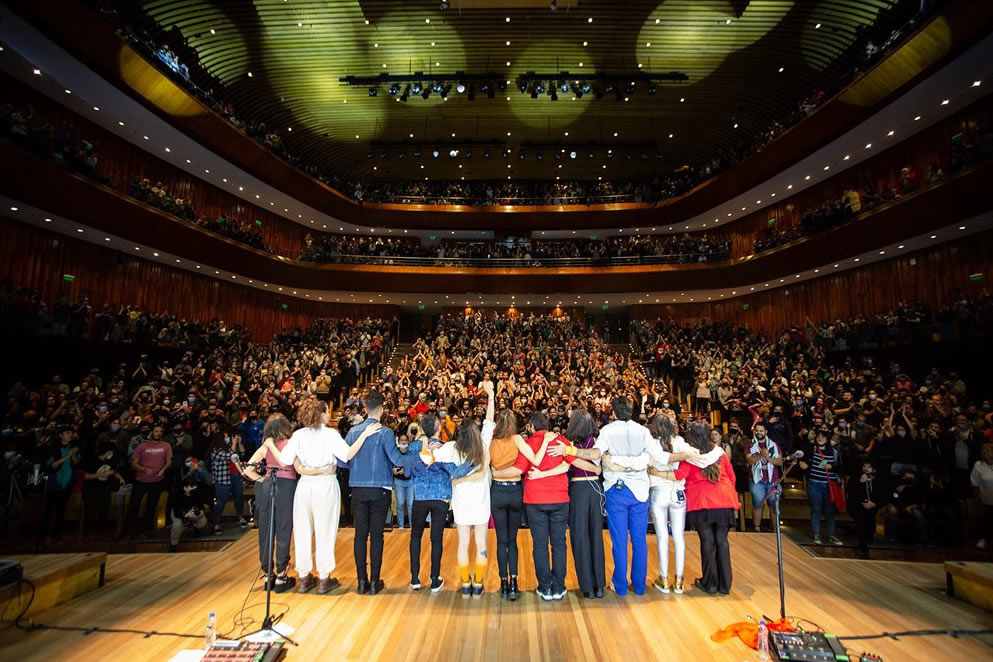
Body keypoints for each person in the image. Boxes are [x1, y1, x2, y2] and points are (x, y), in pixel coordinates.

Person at [264, 398, 378, 594]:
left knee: (302, 531)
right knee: (325, 531)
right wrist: (364, 435)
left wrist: (270, 445)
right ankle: (324, 578)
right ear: (321, 413)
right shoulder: (330, 434)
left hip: (304, 486)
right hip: (325, 483)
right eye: (326, 410)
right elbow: (348, 454)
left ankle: (304, 578)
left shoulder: (298, 435)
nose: (328, 414)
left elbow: (284, 461)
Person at [496, 412, 574, 601]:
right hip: (560, 498)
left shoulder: (528, 444)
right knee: (559, 544)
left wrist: (495, 472)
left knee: (540, 545)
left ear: (531, 426)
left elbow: (519, 470)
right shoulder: (560, 440)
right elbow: (570, 464)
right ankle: (558, 587)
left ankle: (545, 587)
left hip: (535, 500)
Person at [652, 421, 736, 595]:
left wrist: (656, 473)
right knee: (722, 540)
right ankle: (725, 585)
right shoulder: (719, 453)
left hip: (702, 501)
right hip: (724, 499)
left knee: (707, 542)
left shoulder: (690, 455)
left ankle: (710, 583)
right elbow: (732, 476)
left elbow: (679, 475)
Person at [344, 390, 415, 596]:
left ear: (365, 409)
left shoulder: (352, 432)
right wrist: (418, 456)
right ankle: (374, 582)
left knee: (359, 535)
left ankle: (360, 582)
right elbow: (398, 461)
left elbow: (343, 460)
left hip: (357, 487)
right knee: (376, 536)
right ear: (382, 409)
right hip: (380, 489)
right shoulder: (385, 433)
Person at [431, 381, 496, 596]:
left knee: (463, 544)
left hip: (461, 504)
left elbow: (431, 459)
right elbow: (489, 421)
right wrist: (491, 395)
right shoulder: (483, 446)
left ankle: (465, 583)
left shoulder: (451, 448)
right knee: (481, 544)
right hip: (481, 504)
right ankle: (478, 584)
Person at [487, 408, 552, 600]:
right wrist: (546, 442)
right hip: (515, 491)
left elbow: (487, 469)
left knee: (501, 541)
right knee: (513, 540)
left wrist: (496, 472)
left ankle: (503, 583)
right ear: (514, 424)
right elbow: (536, 460)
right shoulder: (517, 439)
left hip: (497, 492)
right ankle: (514, 582)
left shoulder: (492, 442)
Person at [404, 413, 471, 593]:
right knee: (436, 539)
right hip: (440, 497)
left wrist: (421, 455)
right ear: (439, 428)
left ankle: (415, 578)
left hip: (419, 497)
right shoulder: (445, 448)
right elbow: (456, 472)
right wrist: (474, 460)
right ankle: (434, 579)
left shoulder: (414, 448)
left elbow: (407, 472)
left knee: (415, 536)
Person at [242, 413, 298, 592]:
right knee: (283, 528)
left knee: (266, 529)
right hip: (286, 485)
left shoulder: (265, 446)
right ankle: (281, 575)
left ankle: (268, 574)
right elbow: (290, 463)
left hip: (267, 485)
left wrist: (262, 479)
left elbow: (248, 470)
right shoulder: (290, 444)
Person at [564, 409, 606, 599]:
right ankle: (599, 585)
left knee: (580, 538)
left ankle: (587, 587)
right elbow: (598, 468)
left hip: (578, 490)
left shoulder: (568, 444)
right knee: (595, 537)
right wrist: (595, 469)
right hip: (595, 491)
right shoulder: (594, 442)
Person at [648, 413, 690, 595]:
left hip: (659, 491)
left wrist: (657, 472)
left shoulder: (652, 443)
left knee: (662, 537)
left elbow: (649, 466)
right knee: (679, 537)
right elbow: (692, 455)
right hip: (678, 491)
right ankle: (679, 581)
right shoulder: (680, 441)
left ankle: (664, 578)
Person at [122, 423, 172, 539]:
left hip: (157, 480)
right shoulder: (142, 446)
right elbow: (133, 463)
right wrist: (144, 469)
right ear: (151, 432)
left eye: (160, 431)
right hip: (141, 480)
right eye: (156, 431)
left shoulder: (166, 445)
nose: (158, 433)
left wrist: (163, 470)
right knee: (134, 507)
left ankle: (146, 531)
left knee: (151, 507)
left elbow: (169, 461)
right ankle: (126, 532)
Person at [799, 426, 843, 545]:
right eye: (818, 436)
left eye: (823, 437)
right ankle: (816, 534)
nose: (820, 438)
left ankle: (832, 535)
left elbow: (841, 468)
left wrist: (832, 467)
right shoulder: (811, 449)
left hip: (829, 485)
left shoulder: (834, 452)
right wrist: (802, 464)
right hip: (814, 484)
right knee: (816, 509)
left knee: (830, 511)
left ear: (827, 439)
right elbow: (802, 460)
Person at [43, 426, 80, 543]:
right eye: (67, 433)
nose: (70, 435)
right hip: (54, 482)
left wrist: (73, 454)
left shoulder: (73, 448)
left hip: (67, 482)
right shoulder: (53, 448)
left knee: (61, 510)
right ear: (61, 435)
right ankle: (44, 534)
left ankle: (57, 533)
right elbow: (52, 465)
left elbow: (77, 462)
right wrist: (67, 456)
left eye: (71, 433)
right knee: (48, 510)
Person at [208, 431, 248, 533]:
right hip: (222, 479)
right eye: (226, 437)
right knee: (221, 501)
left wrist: (238, 443)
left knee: (239, 498)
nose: (228, 438)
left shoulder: (230, 447)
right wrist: (234, 443)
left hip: (235, 476)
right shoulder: (216, 450)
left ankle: (240, 517)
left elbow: (242, 454)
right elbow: (229, 455)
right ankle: (216, 523)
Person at [747, 423, 783, 532]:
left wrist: (767, 458)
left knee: (774, 505)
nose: (758, 433)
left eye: (761, 431)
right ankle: (757, 529)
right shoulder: (749, 444)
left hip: (773, 480)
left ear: (766, 432)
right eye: (756, 430)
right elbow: (749, 460)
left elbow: (780, 462)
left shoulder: (774, 445)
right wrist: (760, 456)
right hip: (756, 480)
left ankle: (775, 530)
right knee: (757, 504)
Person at [81, 441, 123, 537]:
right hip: (91, 489)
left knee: (104, 510)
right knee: (90, 511)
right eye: (112, 451)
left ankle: (101, 531)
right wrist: (102, 474)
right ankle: (86, 533)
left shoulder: (111, 461)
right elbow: (86, 476)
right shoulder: (93, 460)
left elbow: (113, 471)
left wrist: (120, 478)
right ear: (108, 452)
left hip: (105, 488)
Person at [848, 458, 883, 559]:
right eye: (864, 467)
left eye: (869, 467)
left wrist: (874, 504)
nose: (866, 469)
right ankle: (864, 550)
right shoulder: (855, 478)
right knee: (861, 526)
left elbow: (882, 495)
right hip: (857, 506)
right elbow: (851, 493)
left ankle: (868, 544)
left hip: (872, 507)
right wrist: (860, 483)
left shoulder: (878, 480)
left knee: (870, 528)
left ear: (874, 469)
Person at [167, 475, 210, 552]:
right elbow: (176, 511)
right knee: (178, 525)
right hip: (179, 512)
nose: (194, 489)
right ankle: (173, 544)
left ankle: (195, 528)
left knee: (203, 521)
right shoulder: (177, 494)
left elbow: (201, 506)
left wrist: (200, 512)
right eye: (191, 487)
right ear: (185, 488)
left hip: (192, 511)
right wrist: (186, 515)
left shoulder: (197, 492)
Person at [971, 443, 993, 550]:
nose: (985, 453)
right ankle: (983, 539)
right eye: (983, 451)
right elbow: (975, 482)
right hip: (986, 498)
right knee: (986, 519)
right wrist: (977, 498)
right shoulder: (978, 465)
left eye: (988, 451)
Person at [392, 434, 413, 529]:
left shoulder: (411, 453)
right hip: (398, 481)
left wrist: (406, 470)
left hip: (410, 481)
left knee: (411, 505)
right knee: (400, 504)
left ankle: (412, 526)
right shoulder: (395, 452)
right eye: (401, 440)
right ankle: (401, 526)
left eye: (405, 440)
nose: (403, 442)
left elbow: (415, 465)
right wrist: (393, 470)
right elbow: (390, 464)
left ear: (408, 442)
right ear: (398, 441)